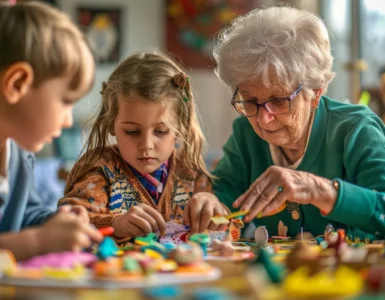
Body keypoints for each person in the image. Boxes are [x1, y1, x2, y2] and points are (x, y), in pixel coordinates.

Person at [212, 6, 385, 241]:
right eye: (250, 100)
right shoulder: (246, 133)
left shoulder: (356, 129)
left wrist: (318, 190)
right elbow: (225, 196)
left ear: (316, 92)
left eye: (279, 100)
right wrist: (209, 203)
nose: (263, 118)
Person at [59, 52, 229, 241]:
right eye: (132, 132)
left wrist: (215, 212)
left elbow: (223, 236)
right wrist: (115, 224)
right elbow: (66, 225)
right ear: (110, 124)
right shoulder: (99, 169)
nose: (146, 145)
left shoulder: (192, 174)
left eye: (161, 131)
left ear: (181, 127)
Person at [0, 2, 102, 261]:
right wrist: (37, 241)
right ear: (17, 84)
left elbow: (26, 216)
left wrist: (60, 221)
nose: (69, 121)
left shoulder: (19, 155)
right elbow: (30, 236)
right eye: (66, 101)